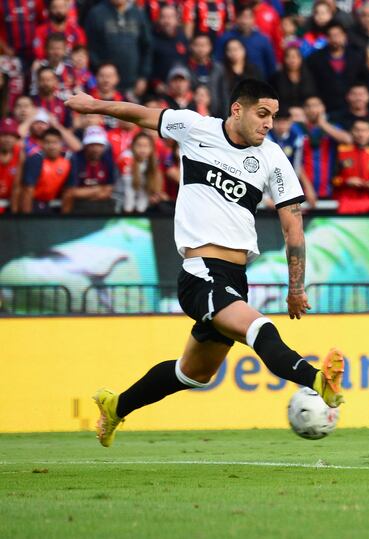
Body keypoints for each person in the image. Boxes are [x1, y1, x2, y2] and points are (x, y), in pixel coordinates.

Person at [64, 79, 345, 447]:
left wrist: (296, 287)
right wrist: (93, 104)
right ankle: (317, 382)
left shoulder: (273, 158)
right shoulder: (195, 128)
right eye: (262, 114)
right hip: (201, 272)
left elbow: (293, 225)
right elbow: (138, 114)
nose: (268, 124)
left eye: (273, 117)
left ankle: (116, 406)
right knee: (259, 327)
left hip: (234, 276)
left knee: (192, 374)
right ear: (237, 110)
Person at [85, 0, 153, 96]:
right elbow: (90, 47)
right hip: (105, 85)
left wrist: (143, 76)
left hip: (133, 83)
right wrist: (100, 73)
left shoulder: (138, 14)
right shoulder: (96, 14)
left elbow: (146, 47)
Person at [62, 125, 117, 214]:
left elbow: (108, 191)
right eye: (92, 145)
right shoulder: (76, 160)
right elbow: (70, 192)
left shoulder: (108, 160)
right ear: (85, 145)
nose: (95, 149)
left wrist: (85, 193)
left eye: (99, 145)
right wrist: (97, 190)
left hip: (102, 205)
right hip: (79, 205)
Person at [332, 118, 369, 214]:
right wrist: (346, 181)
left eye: (365, 130)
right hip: (344, 201)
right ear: (351, 132)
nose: (361, 134)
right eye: (357, 130)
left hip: (368, 203)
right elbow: (331, 179)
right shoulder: (341, 151)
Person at [20, 127, 70, 213]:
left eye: (55, 142)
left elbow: (68, 191)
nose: (51, 146)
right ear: (41, 144)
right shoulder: (35, 160)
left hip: (53, 203)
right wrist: (27, 219)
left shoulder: (67, 162)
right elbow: (28, 191)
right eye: (47, 142)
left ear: (61, 144)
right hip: (34, 203)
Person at [0, 118, 23, 214]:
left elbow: (16, 187)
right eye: (4, 135)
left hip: (10, 202)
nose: (8, 139)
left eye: (12, 136)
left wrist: (13, 216)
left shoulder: (20, 154)